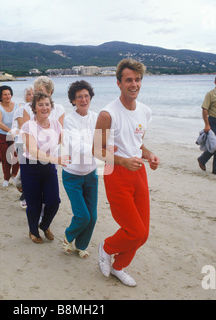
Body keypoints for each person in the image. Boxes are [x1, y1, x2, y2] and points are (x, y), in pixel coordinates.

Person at [93, 58, 160, 287]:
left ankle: (118, 266)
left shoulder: (145, 111)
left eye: (138, 80)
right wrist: (123, 161)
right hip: (116, 173)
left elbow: (137, 143)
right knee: (134, 231)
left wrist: (149, 155)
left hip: (138, 173)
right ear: (119, 83)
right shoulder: (107, 114)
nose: (134, 84)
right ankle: (106, 247)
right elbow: (97, 150)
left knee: (143, 233)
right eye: (129, 80)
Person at [20, 91, 70, 244]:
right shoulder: (28, 126)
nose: (44, 107)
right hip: (31, 167)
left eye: (47, 104)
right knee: (34, 203)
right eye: (40, 105)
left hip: (48, 168)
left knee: (54, 201)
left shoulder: (55, 123)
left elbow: (66, 141)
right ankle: (33, 231)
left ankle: (45, 225)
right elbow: (34, 152)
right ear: (34, 107)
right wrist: (56, 159)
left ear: (51, 107)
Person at [61, 80, 98, 259]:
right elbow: (77, 146)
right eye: (79, 97)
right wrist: (100, 150)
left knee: (93, 216)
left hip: (91, 174)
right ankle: (68, 236)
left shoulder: (97, 117)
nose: (83, 100)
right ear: (73, 100)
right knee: (83, 215)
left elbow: (108, 138)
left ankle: (81, 246)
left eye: (86, 96)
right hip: (72, 175)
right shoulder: (69, 120)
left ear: (90, 97)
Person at [0, 85, 20, 187]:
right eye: (5, 94)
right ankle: (6, 178)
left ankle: (14, 174)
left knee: (16, 156)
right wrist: (10, 130)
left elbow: (21, 120)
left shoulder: (17, 106)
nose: (7, 96)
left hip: (14, 135)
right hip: (1, 135)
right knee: (5, 158)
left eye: (9, 94)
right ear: (0, 96)